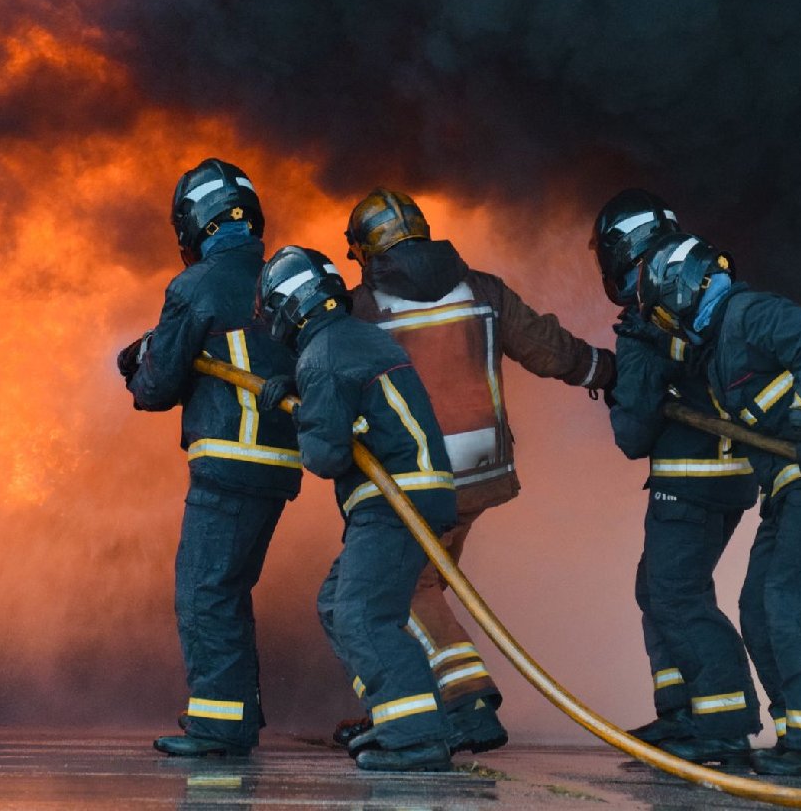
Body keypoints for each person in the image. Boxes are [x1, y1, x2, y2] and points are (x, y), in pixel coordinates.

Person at [337, 188, 615, 755]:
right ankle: (425, 707)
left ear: (365, 250)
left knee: (401, 592)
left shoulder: (362, 308)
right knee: (428, 583)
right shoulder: (481, 289)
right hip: (480, 472)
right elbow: (546, 348)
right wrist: (605, 370)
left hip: (412, 479)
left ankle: (469, 704)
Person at [636, 233, 801, 778]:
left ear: (683, 289)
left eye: (664, 310)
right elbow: (690, 369)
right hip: (792, 487)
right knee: (759, 605)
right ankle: (800, 733)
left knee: (792, 602)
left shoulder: (751, 313)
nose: (666, 321)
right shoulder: (722, 344)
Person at [119, 158, 300, 758]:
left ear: (192, 223)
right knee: (228, 590)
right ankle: (237, 711)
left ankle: (221, 725)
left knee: (202, 593)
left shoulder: (196, 285)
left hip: (227, 462)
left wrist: (140, 366)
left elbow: (156, 388)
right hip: (277, 465)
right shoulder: (279, 276)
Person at [255, 245, 457, 772]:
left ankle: (416, 736)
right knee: (335, 604)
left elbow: (324, 456)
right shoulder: (350, 338)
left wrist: (296, 409)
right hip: (408, 496)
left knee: (363, 614)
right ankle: (393, 718)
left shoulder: (322, 354)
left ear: (287, 307)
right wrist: (297, 390)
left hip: (395, 502)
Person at [594, 191, 762, 765]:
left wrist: (624, 391)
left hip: (688, 483)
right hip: (733, 477)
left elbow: (631, 436)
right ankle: (682, 710)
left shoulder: (647, 313)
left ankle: (721, 720)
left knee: (675, 594)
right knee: (660, 588)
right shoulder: (697, 285)